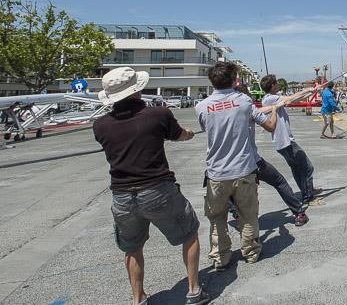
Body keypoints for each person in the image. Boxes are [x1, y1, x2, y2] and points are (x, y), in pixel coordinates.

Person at [93, 67, 208, 305]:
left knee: (132, 248)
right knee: (189, 233)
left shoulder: (100, 125)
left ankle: (138, 298)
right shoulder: (158, 115)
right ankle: (194, 290)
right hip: (157, 188)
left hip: (122, 195)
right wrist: (187, 133)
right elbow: (179, 135)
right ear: (137, 90)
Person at [196, 62, 279, 270]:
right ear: (234, 80)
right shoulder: (244, 101)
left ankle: (221, 257)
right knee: (249, 215)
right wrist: (275, 111)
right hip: (244, 170)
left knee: (217, 218)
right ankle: (250, 252)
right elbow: (269, 126)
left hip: (216, 173)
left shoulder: (202, 106)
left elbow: (206, 128)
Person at [233, 85, 308, 227]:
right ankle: (299, 212)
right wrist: (274, 110)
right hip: (251, 162)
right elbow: (270, 125)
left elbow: (260, 110)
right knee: (279, 181)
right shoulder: (248, 108)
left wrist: (274, 106)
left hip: (224, 166)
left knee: (226, 192)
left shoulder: (216, 109)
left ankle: (236, 214)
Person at [260, 75, 323, 205]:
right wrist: (310, 89)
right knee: (307, 167)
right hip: (285, 141)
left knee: (296, 168)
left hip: (283, 141)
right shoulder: (270, 99)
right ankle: (308, 197)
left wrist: (313, 91)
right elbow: (290, 99)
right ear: (272, 86)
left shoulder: (271, 98)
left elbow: (294, 99)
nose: (278, 85)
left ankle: (307, 190)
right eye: (276, 83)